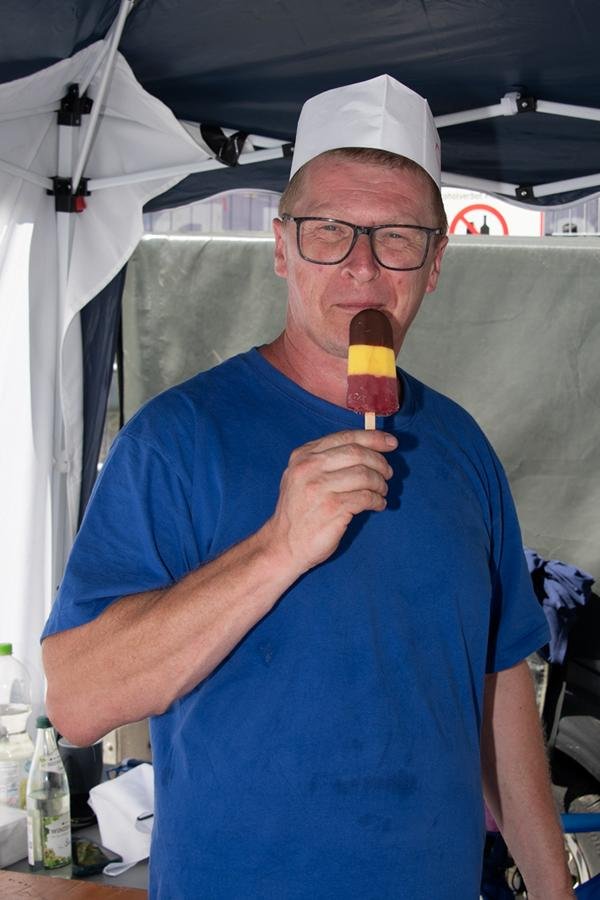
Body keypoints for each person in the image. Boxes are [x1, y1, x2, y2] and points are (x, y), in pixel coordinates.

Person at [41, 76, 574, 899]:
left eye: (397, 236)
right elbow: (78, 701)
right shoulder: (176, 440)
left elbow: (496, 684)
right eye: (329, 230)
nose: (362, 264)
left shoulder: (462, 446)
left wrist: (551, 887)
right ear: (282, 248)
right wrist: (277, 548)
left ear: (435, 263)